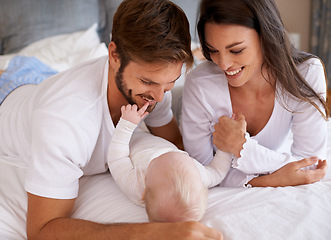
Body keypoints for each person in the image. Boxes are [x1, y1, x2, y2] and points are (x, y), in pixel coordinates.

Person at [0, 0, 223, 239]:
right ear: (114, 55)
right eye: (148, 82)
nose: (158, 97)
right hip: (10, 92)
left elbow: (179, 147)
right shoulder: (65, 121)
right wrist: (156, 233)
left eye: (169, 83)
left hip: (47, 81)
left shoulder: (153, 88)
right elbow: (42, 230)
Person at [181, 0, 329, 188]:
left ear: (266, 36)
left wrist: (241, 146)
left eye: (236, 50)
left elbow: (310, 167)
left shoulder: (306, 73)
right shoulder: (200, 85)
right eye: (213, 51)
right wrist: (271, 180)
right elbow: (203, 172)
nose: (224, 64)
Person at [107, 102, 233, 222]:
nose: (174, 153)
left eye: (157, 160)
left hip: (132, 136)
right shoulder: (199, 176)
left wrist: (126, 126)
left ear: (144, 191)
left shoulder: (135, 184)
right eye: (186, 157)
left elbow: (117, 158)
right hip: (158, 136)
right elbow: (218, 170)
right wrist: (226, 146)